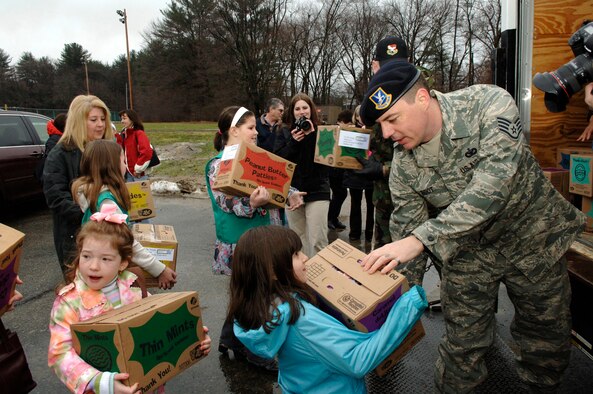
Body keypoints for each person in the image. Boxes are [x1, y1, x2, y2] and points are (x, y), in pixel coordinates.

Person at [359, 59, 586, 393]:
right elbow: (408, 232)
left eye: (392, 119)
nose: (387, 133)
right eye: (381, 124)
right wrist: (392, 305)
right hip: (469, 249)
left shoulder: (488, 104)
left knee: (545, 341)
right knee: (461, 347)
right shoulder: (404, 166)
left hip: (533, 239)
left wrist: (421, 239)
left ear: (422, 98)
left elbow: (494, 186)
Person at [228, 225, 427, 394]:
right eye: (296, 254)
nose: (305, 257)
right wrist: (408, 306)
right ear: (272, 271)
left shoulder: (269, 305)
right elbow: (357, 360)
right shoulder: (302, 320)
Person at [48, 205, 212, 394]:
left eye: (105, 259)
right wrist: (100, 382)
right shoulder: (69, 302)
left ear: (123, 263)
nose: (93, 266)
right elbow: (59, 354)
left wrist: (194, 337)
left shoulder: (133, 286)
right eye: (86, 256)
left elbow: (160, 324)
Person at [206, 106, 305, 369]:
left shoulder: (256, 157)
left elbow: (275, 183)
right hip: (243, 241)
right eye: (250, 128)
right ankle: (253, 350)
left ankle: (230, 339)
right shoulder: (219, 164)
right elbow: (226, 202)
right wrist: (251, 203)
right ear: (233, 131)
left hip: (264, 237)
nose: (256, 132)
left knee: (250, 292)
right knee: (257, 292)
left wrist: (291, 193)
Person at [71, 139, 177, 289]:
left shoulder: (94, 195)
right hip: (107, 279)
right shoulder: (107, 203)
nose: (125, 165)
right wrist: (159, 269)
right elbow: (127, 242)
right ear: (111, 166)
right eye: (123, 160)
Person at [43, 95, 115, 276]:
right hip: (75, 236)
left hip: (109, 233)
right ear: (78, 121)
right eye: (93, 120)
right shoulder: (60, 154)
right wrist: (90, 217)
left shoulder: (106, 150)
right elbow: (56, 197)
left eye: (103, 119)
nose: (100, 124)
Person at [273, 93, 330, 257]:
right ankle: (303, 277)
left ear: (311, 110)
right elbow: (278, 162)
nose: (302, 112)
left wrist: (311, 136)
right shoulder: (284, 131)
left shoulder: (323, 131)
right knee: (298, 240)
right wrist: (293, 143)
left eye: (305, 107)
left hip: (318, 190)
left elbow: (325, 164)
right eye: (297, 108)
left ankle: (320, 279)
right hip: (292, 191)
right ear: (292, 112)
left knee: (318, 239)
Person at [343, 106, 374, 242]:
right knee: (355, 205)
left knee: (371, 205)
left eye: (363, 115)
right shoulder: (350, 131)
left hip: (371, 173)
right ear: (355, 117)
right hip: (355, 173)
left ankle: (369, 233)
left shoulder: (375, 130)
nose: (360, 118)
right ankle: (354, 233)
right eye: (358, 116)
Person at [326, 109, 350, 231]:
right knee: (339, 193)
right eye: (347, 123)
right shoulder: (335, 132)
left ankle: (333, 218)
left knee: (340, 194)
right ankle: (330, 218)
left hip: (341, 169)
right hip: (333, 169)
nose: (349, 126)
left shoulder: (346, 133)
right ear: (340, 122)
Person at [116, 109, 153, 182]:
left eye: (124, 118)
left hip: (138, 175)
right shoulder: (124, 134)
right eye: (121, 119)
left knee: (141, 193)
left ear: (132, 119)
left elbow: (146, 152)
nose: (122, 121)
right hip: (128, 174)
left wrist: (138, 169)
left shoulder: (139, 133)